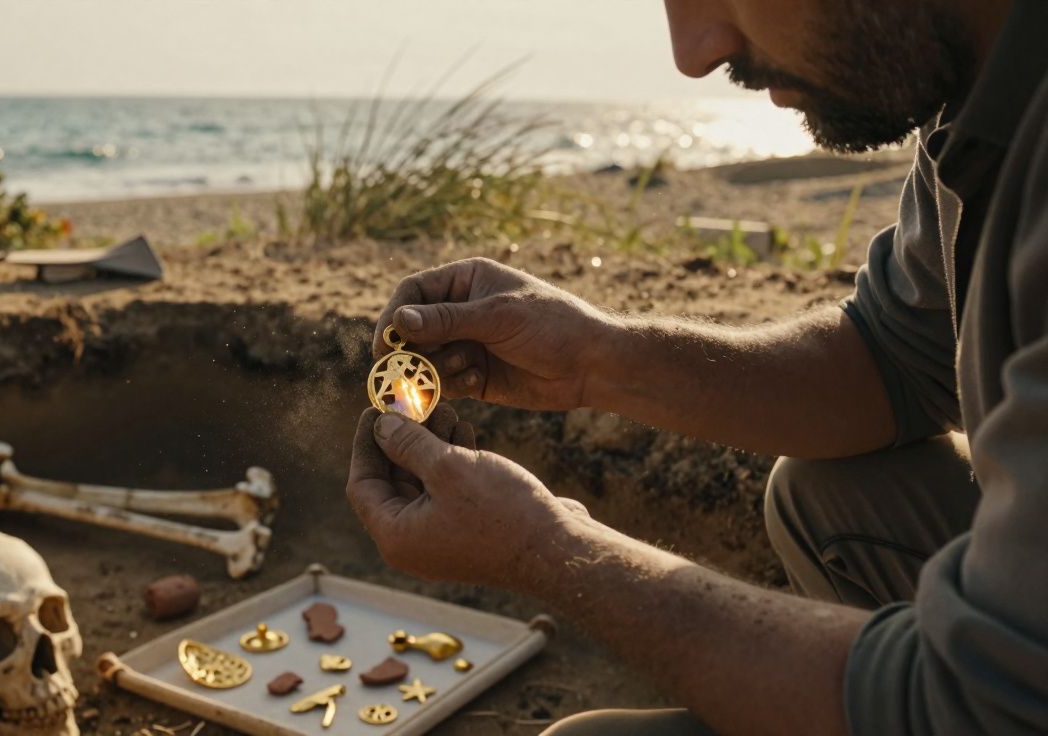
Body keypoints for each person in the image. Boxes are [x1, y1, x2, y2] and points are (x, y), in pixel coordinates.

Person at [345, 0, 1048, 733]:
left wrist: (543, 548)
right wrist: (595, 356)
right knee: (827, 494)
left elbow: (984, 701)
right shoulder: (982, 91)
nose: (694, 53)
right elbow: (893, 360)